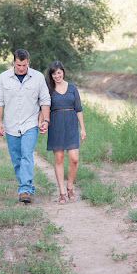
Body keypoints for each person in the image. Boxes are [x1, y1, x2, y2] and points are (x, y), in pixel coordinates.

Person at [0, 49, 51, 203]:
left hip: (30, 123)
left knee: (26, 154)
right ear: (13, 62)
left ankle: (26, 189)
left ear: (28, 63)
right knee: (16, 159)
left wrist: (46, 120)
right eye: (18, 65)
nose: (21, 68)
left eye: (24, 65)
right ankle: (24, 186)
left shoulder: (38, 77)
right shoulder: (3, 78)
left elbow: (45, 99)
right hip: (11, 124)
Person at [42, 61, 86, 204]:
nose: (57, 76)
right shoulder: (49, 89)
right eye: (54, 74)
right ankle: (61, 192)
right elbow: (44, 107)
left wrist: (82, 128)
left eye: (59, 72)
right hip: (56, 125)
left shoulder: (72, 88)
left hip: (71, 124)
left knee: (74, 159)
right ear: (51, 75)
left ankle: (70, 186)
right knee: (59, 159)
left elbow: (78, 109)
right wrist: (42, 122)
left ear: (63, 72)